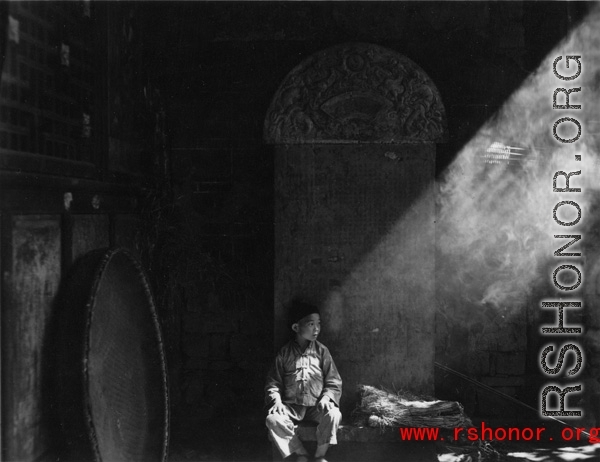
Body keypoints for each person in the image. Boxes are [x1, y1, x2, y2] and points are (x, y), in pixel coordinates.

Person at [265, 299, 342, 462]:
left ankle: (320, 455)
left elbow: (334, 381)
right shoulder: (284, 353)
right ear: (296, 327)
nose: (317, 329)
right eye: (311, 324)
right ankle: (301, 453)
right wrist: (277, 401)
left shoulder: (322, 352)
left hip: (317, 407)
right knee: (272, 419)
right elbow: (273, 383)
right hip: (291, 408)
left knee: (335, 414)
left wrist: (327, 397)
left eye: (318, 324)